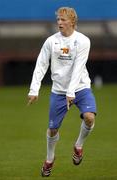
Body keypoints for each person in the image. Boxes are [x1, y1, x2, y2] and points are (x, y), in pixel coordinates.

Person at [28, 7, 96, 177]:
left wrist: (71, 92)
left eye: (63, 20)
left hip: (80, 88)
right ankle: (50, 159)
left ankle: (78, 146)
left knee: (89, 117)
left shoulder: (83, 41)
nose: (59, 22)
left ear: (72, 21)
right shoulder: (51, 41)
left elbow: (79, 67)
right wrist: (34, 89)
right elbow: (41, 64)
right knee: (52, 130)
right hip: (58, 91)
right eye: (58, 19)